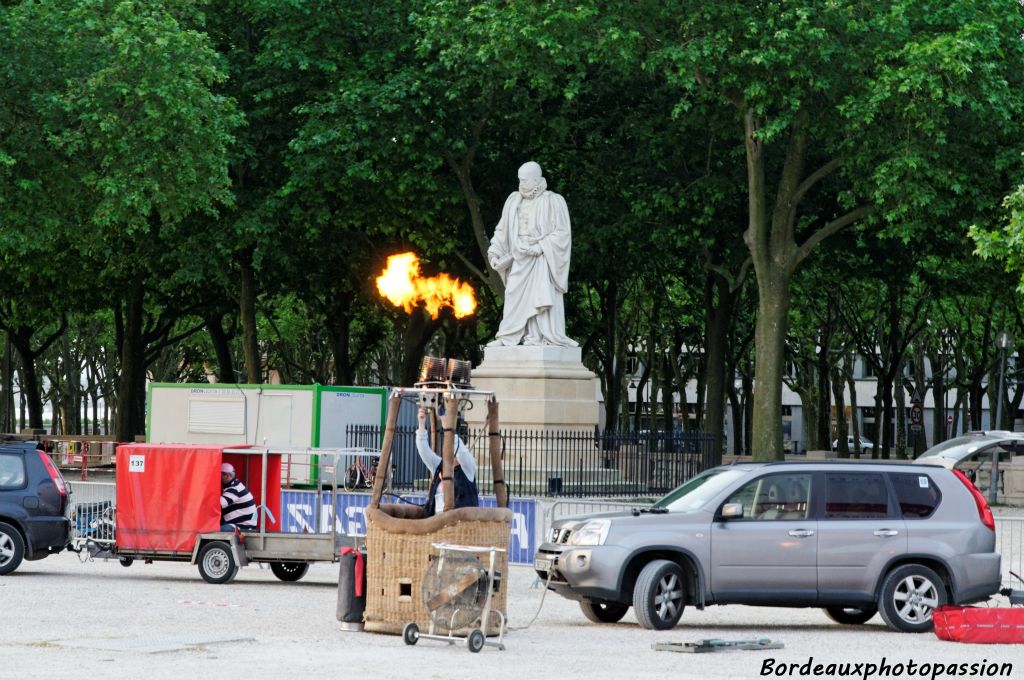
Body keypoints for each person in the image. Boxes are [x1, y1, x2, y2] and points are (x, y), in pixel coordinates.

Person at [487, 161, 578, 347]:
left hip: (541, 259)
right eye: (519, 179)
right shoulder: (513, 201)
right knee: (513, 294)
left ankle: (538, 337)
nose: (521, 184)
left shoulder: (553, 201)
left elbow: (562, 233)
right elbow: (502, 230)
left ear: (537, 179)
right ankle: (508, 336)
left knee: (539, 296)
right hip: (518, 258)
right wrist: (495, 252)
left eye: (525, 180)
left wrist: (541, 247)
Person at [416, 408, 478, 516]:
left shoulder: (467, 468)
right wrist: (421, 424)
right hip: (437, 523)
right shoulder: (439, 465)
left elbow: (460, 451)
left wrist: (447, 426)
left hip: (461, 523)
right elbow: (423, 450)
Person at [220, 463, 257, 531]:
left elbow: (219, 504)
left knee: (214, 532)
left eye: (220, 475)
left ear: (226, 475)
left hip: (243, 526)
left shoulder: (234, 488)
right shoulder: (235, 485)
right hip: (243, 524)